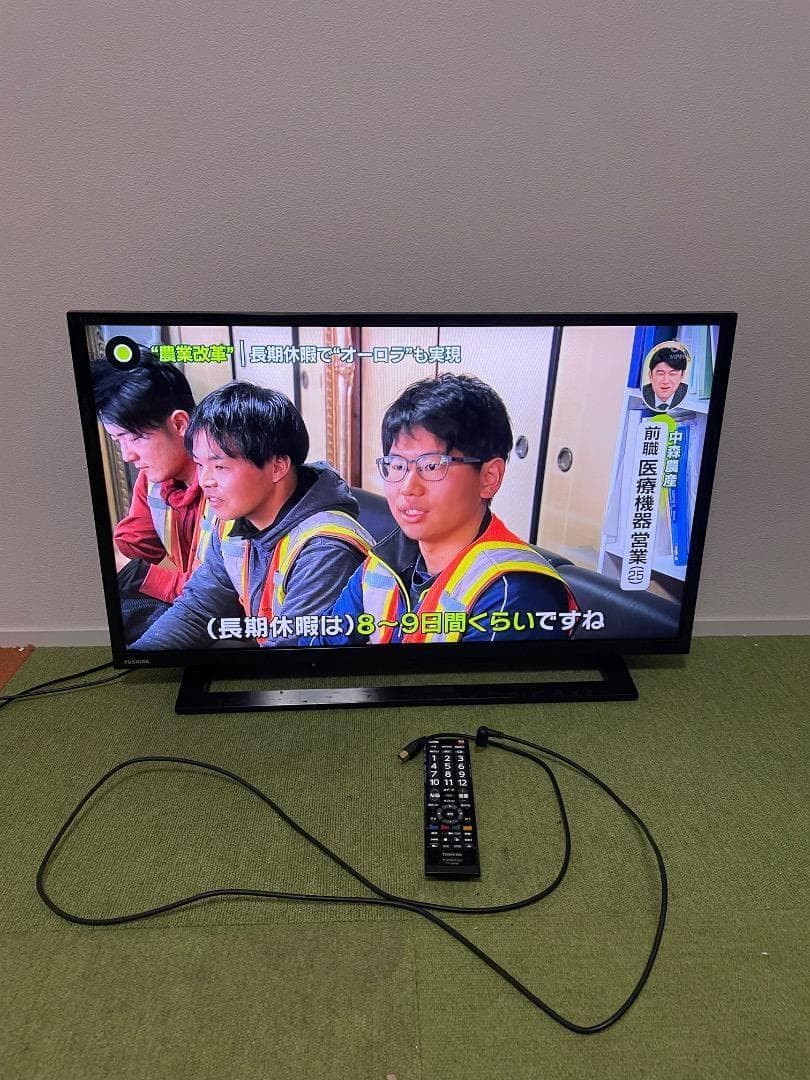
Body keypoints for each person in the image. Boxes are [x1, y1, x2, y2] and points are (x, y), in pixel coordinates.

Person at [306, 374, 578, 646]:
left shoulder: (516, 593)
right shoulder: (385, 560)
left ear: (489, 478)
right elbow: (323, 650)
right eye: (397, 466)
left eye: (432, 466)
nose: (408, 488)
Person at [131, 381, 374, 649]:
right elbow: (197, 610)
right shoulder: (231, 523)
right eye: (200, 464)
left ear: (277, 466)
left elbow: (292, 653)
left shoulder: (325, 550)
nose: (204, 481)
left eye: (220, 466)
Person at [91, 350, 205, 642]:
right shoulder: (153, 479)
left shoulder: (226, 485)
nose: (127, 455)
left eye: (135, 438)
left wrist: (131, 571)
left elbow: (220, 595)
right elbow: (134, 543)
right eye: (118, 440)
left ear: (179, 424)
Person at [642, 346, 689, 411]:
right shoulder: (643, 393)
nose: (665, 381)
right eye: (660, 373)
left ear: (682, 375)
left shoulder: (687, 394)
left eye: (672, 374)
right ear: (650, 375)